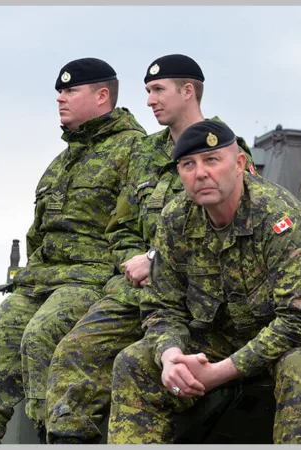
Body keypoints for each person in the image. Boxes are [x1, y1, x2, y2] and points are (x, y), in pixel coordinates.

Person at [106, 120, 301, 444]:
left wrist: (220, 372)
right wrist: (170, 355)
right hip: (229, 328)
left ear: (240, 164)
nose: (200, 173)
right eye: (188, 164)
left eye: (211, 160)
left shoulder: (276, 215)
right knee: (133, 363)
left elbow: (299, 319)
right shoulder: (175, 220)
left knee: (298, 367)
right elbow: (162, 306)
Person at [44, 54, 255, 443]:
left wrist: (156, 260)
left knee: (138, 366)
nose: (149, 100)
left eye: (158, 90)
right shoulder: (143, 153)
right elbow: (121, 225)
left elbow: (237, 230)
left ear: (187, 91)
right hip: (136, 291)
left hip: (196, 296)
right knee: (74, 352)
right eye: (147, 91)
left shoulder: (225, 151)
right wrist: (131, 260)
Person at [0, 58, 146, 444]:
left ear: (102, 95)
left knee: (40, 336)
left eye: (71, 91)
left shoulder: (134, 151)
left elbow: (137, 227)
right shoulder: (62, 161)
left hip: (91, 278)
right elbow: (39, 232)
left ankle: (47, 434)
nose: (60, 98)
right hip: (42, 278)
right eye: (59, 91)